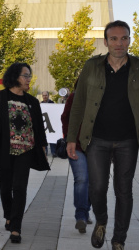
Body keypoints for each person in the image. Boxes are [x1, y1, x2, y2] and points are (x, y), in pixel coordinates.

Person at [66, 20, 139, 250]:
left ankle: (119, 239)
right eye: (114, 38)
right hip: (97, 139)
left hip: (128, 140)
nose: (120, 43)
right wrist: (71, 139)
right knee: (96, 188)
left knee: (123, 190)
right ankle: (101, 221)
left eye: (124, 38)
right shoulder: (92, 67)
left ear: (129, 40)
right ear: (106, 41)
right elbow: (78, 106)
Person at [0, 62, 50, 244]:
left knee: (20, 187)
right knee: (5, 186)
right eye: (25, 75)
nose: (28, 79)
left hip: (25, 151)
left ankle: (16, 227)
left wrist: (42, 148)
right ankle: (8, 215)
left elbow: (39, 128)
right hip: (3, 151)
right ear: (15, 76)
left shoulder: (32, 101)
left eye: (29, 76)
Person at [60, 80, 92, 234]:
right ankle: (81, 216)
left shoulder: (103, 97)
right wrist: (68, 138)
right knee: (81, 179)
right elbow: (65, 118)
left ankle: (86, 210)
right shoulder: (74, 97)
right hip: (76, 145)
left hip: (97, 147)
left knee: (94, 182)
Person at [41, 91, 57, 158]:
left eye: (46, 95)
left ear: (48, 96)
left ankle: (53, 152)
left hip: (51, 123)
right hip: (43, 123)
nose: (45, 96)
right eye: (44, 95)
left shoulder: (52, 103)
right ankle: (45, 152)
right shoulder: (40, 104)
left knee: (52, 138)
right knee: (44, 138)